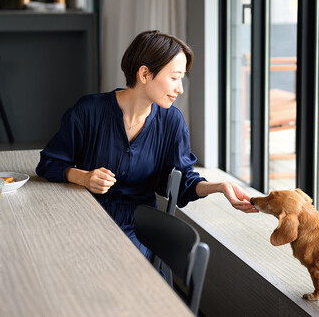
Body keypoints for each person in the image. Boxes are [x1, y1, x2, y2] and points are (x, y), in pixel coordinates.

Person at [36, 30, 257, 258]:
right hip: (82, 218)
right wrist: (83, 177)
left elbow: (183, 182)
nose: (180, 88)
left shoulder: (172, 122)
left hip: (137, 229)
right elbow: (49, 163)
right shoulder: (88, 111)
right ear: (144, 74)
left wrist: (220, 187)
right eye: (174, 78)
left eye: (182, 79)